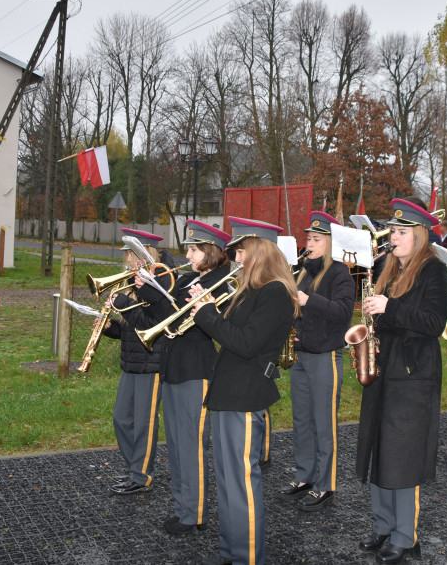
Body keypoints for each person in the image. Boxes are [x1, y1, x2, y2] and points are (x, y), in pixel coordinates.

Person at [191, 217, 299, 565]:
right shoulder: (251, 290)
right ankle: (231, 551)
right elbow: (232, 333)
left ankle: (249, 557)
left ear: (259, 249)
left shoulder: (276, 292)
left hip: (246, 394)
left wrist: (207, 314)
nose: (236, 257)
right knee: (226, 480)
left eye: (240, 250)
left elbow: (246, 343)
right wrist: (205, 306)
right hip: (228, 392)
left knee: (242, 483)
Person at [355, 199, 447, 563]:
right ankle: (382, 526)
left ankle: (405, 536)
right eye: (392, 231)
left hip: (413, 373)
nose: (392, 237)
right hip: (385, 367)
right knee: (379, 447)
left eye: (400, 232)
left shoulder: (433, 270)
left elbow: (433, 322)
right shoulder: (390, 268)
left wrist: (389, 307)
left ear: (419, 235)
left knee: (402, 455)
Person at [147, 219, 231, 535]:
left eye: (194, 250)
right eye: (188, 249)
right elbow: (163, 310)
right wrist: (150, 288)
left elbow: (206, 322)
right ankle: (182, 507)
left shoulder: (222, 281)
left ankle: (194, 514)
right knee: (176, 444)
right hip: (173, 368)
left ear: (211, 252)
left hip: (196, 371)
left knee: (191, 444)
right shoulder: (187, 279)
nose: (189, 255)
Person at [278, 211, 355, 512]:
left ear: (331, 243)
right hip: (303, 355)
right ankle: (304, 476)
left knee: (324, 424)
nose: (309, 243)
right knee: (302, 421)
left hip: (326, 357)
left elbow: (343, 312)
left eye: (316, 239)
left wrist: (309, 301)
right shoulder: (303, 271)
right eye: (308, 238)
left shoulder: (340, 273)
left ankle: (326, 484)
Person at [97, 228, 167, 496]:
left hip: (152, 363)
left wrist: (126, 303)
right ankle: (134, 467)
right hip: (130, 363)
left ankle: (142, 474)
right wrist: (110, 328)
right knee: (121, 419)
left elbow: (152, 324)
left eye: (135, 255)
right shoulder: (129, 283)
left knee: (144, 422)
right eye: (128, 255)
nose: (129, 261)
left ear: (148, 255)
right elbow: (130, 328)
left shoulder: (159, 283)